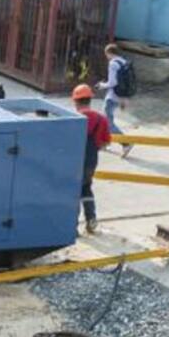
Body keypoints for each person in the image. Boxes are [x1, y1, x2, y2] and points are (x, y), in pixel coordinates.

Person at [72, 84, 111, 234]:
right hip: (90, 160)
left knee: (72, 191)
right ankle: (91, 219)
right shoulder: (101, 119)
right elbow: (106, 141)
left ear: (75, 101)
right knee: (86, 187)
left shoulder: (73, 118)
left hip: (74, 160)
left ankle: (72, 226)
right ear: (90, 100)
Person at [96, 43, 133, 157]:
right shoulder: (124, 61)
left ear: (109, 53)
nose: (106, 57)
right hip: (121, 95)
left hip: (112, 96)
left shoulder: (113, 63)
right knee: (107, 119)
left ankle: (126, 143)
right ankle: (106, 143)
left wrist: (102, 85)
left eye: (106, 54)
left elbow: (113, 83)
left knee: (108, 122)